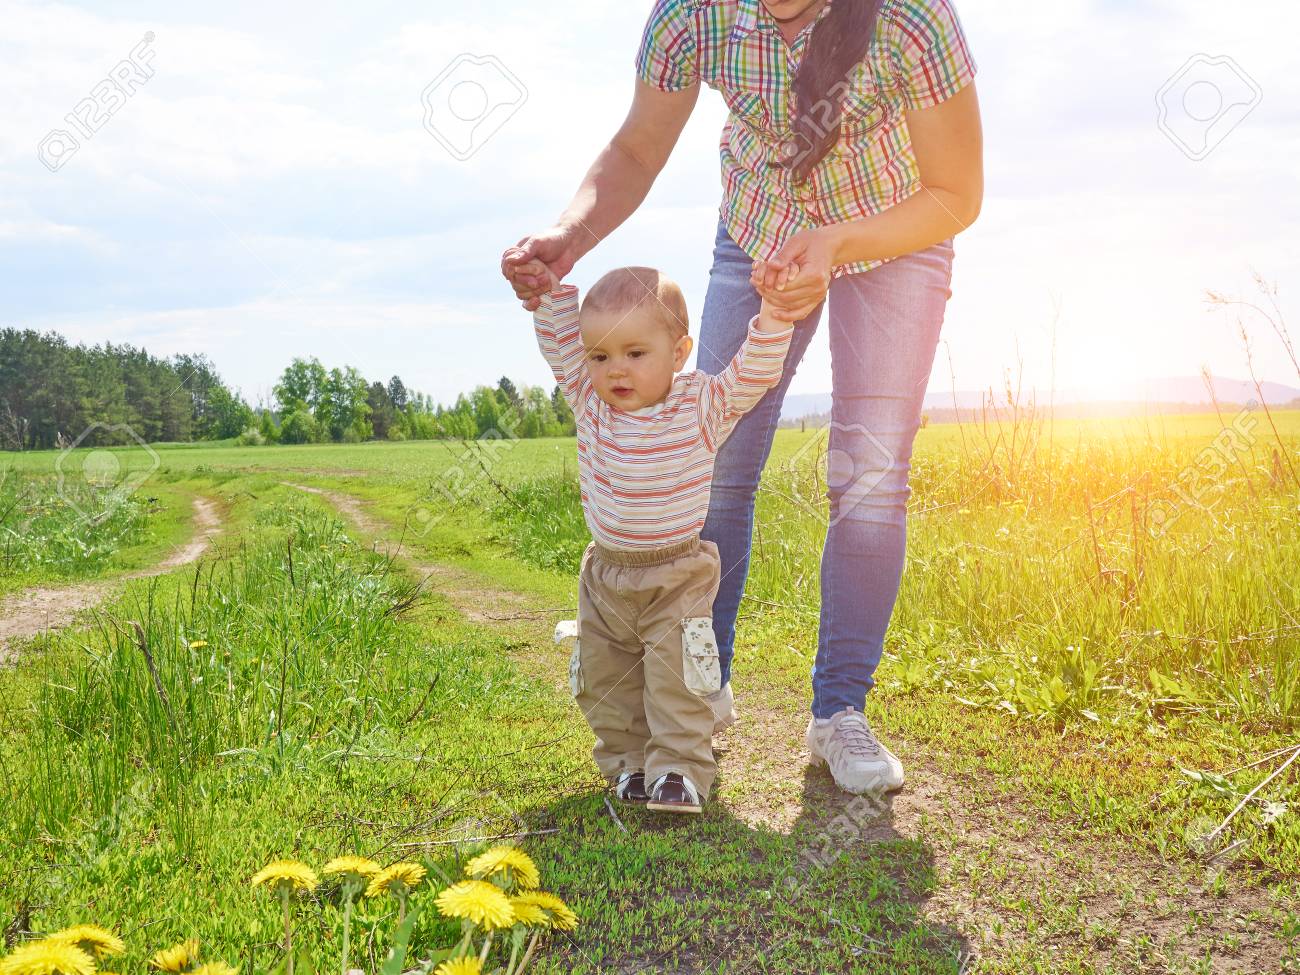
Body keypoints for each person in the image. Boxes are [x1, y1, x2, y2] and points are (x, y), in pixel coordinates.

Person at [503, 0, 983, 796]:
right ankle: (699, 687)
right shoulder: (692, 14)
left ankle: (839, 712)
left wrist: (835, 242)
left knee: (868, 477)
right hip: (760, 231)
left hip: (895, 234)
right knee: (717, 455)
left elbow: (956, 192)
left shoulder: (910, 17)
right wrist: (569, 237)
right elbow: (635, 147)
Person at [522, 260, 799, 813]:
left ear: (678, 352)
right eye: (599, 355)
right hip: (605, 575)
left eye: (634, 353)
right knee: (606, 679)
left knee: (677, 677)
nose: (615, 370)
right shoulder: (590, 403)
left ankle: (678, 771)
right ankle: (629, 765)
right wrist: (547, 289)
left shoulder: (701, 404)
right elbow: (559, 346)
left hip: (677, 572)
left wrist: (774, 314)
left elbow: (754, 373)